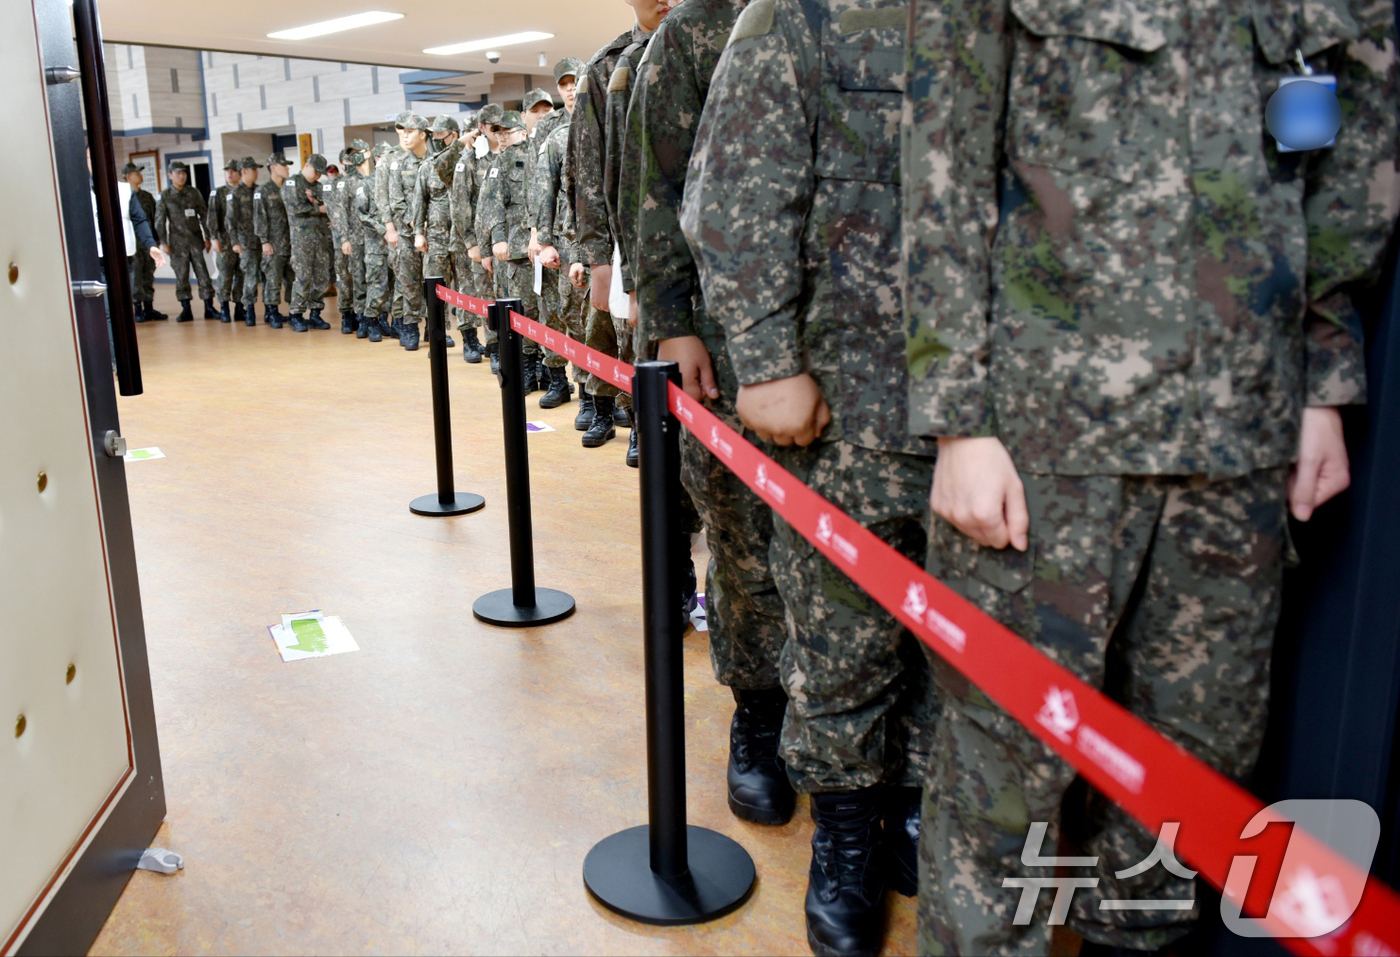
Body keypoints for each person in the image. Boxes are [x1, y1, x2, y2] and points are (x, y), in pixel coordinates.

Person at [900, 0, 1400, 953]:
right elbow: (942, 160)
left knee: (1183, 788)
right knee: (1004, 780)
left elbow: (1355, 158)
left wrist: (1324, 376)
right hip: (1044, 440)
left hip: (1242, 437)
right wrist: (957, 414)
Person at [681, 0, 939, 952]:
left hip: (984, 415)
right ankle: (845, 832)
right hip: (846, 404)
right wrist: (765, 356)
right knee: (841, 640)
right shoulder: (798, 14)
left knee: (949, 644)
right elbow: (735, 190)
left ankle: (912, 802)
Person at [623, 0, 801, 840]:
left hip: (855, 338)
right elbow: (654, 185)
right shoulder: (697, 29)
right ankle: (759, 714)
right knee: (743, 541)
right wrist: (671, 318)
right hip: (725, 337)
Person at [567, 0, 666, 450]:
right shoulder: (608, 66)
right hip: (638, 239)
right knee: (639, 343)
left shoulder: (725, 40)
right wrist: (599, 259)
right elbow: (587, 168)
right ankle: (643, 425)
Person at [530, 57, 586, 409]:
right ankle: (584, 392)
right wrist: (541, 236)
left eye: (575, 81)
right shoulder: (553, 133)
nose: (570, 88)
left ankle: (608, 397)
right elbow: (541, 189)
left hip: (603, 239)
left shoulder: (606, 121)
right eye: (564, 83)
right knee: (571, 314)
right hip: (566, 240)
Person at [484, 110, 545, 390]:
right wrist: (498, 238)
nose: (504, 137)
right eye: (499, 133)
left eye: (508, 132)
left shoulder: (539, 152)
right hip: (518, 249)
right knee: (524, 313)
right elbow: (493, 203)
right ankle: (528, 371)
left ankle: (548, 370)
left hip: (544, 246)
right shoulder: (500, 162)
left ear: (523, 131)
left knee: (547, 313)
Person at [412, 115, 463, 349]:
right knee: (437, 288)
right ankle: (438, 335)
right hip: (436, 238)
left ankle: (470, 337)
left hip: (463, 238)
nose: (437, 139)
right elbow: (419, 200)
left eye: (442, 135)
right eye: (435, 136)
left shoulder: (468, 161)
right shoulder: (429, 165)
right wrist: (418, 234)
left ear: (455, 134)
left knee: (466, 289)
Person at [385, 112, 433, 350]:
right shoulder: (399, 164)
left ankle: (436, 329)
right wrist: (415, 222)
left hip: (434, 233)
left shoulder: (436, 160)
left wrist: (428, 222)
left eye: (410, 131)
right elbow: (396, 200)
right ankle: (411, 326)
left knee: (435, 282)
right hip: (407, 233)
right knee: (410, 282)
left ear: (423, 134)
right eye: (402, 132)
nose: (405, 136)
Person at [154, 159, 218, 322]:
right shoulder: (166, 196)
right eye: (178, 173)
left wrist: (208, 236)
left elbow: (204, 215)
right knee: (181, 276)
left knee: (204, 274)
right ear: (170, 175)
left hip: (196, 241)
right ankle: (186, 309)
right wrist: (163, 242)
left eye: (184, 173)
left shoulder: (194, 193)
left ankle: (209, 307)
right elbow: (160, 220)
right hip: (177, 243)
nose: (182, 176)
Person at [471, 104, 506, 369]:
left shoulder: (510, 154)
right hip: (484, 240)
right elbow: (466, 206)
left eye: (500, 127)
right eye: (492, 127)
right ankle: (493, 346)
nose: (497, 132)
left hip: (511, 240)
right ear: (482, 128)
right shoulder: (471, 160)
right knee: (487, 296)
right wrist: (476, 245)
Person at [448, 112, 485, 362]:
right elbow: (460, 207)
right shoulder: (462, 161)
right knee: (467, 290)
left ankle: (493, 342)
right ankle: (470, 340)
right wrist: (470, 241)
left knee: (489, 293)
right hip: (465, 238)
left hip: (490, 238)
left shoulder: (492, 159)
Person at [282, 153, 334, 332]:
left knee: (321, 277)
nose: (318, 176)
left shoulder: (319, 186)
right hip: (302, 240)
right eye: (316, 171)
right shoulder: (292, 183)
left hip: (320, 238)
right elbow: (295, 208)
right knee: (303, 277)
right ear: (306, 165)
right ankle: (296, 314)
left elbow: (329, 205)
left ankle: (315, 314)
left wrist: (317, 205)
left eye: (321, 173)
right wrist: (316, 207)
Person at [122, 162, 166, 322]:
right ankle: (137, 308)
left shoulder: (147, 197)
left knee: (148, 275)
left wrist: (156, 241)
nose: (140, 176)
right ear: (128, 177)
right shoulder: (124, 196)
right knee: (136, 277)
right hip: (133, 246)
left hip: (148, 245)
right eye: (136, 173)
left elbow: (155, 220)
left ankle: (149, 307)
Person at [254, 154, 293, 327]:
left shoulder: (290, 188)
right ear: (273, 168)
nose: (287, 168)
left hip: (291, 243)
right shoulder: (262, 191)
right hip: (274, 244)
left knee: (293, 280)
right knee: (273, 280)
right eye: (283, 165)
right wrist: (264, 241)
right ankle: (272, 312)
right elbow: (259, 218)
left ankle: (294, 311)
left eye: (287, 165)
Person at [339, 140, 372, 336]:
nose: (355, 157)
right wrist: (344, 238)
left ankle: (378, 317)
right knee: (359, 280)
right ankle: (361, 319)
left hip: (375, 238)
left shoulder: (373, 178)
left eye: (358, 152)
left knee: (377, 280)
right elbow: (340, 212)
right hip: (356, 238)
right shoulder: (347, 182)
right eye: (351, 154)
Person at [210, 158, 243, 323]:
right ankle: (224, 308)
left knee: (242, 275)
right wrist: (214, 237)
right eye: (227, 170)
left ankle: (239, 307)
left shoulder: (245, 191)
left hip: (244, 241)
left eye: (233, 170)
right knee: (225, 275)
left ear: (240, 172)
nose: (229, 173)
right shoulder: (218, 192)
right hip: (225, 241)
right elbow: (212, 216)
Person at [230, 157, 263, 327]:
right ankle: (249, 309)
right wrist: (235, 242)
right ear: (244, 171)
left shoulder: (259, 191)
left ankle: (271, 310)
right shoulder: (235, 194)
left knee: (267, 278)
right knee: (250, 278)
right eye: (254, 170)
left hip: (263, 242)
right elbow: (230, 221)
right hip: (246, 243)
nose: (257, 173)